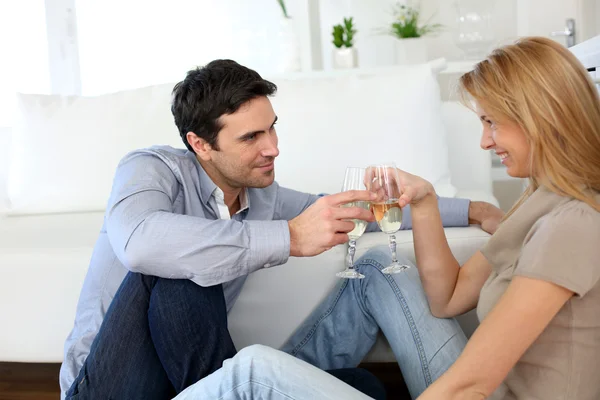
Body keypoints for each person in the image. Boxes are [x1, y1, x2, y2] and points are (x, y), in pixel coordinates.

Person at [167, 36, 600, 400]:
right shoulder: (540, 198)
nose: (485, 142)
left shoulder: (571, 224)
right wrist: (426, 201)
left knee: (251, 372)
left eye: (492, 122)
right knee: (376, 267)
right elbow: (447, 299)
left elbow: (472, 382)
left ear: (538, 119)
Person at [61, 59, 503, 399]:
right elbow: (139, 243)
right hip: (110, 387)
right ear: (201, 145)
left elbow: (353, 210)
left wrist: (475, 209)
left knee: (364, 374)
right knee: (181, 271)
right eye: (251, 137)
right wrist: (289, 238)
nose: (273, 147)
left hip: (200, 381)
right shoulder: (149, 170)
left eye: (272, 129)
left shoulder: (262, 195)